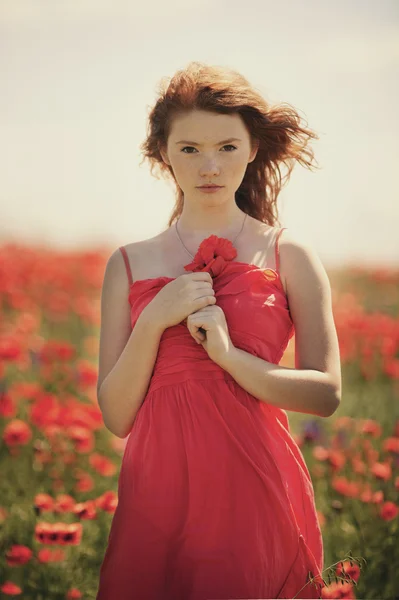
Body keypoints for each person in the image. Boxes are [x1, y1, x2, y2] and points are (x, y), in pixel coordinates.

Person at [95, 61, 341, 600]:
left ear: (253, 149)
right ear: (164, 154)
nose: (210, 165)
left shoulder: (287, 252)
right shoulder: (129, 263)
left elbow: (327, 394)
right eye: (189, 149)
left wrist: (230, 357)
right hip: (157, 491)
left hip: (254, 484)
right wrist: (157, 317)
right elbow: (116, 415)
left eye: (228, 147)